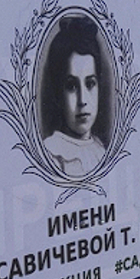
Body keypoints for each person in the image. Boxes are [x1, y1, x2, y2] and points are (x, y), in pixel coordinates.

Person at [41, 15, 109, 174]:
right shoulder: (52, 154)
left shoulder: (101, 150)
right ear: (58, 94)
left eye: (90, 84)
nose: (83, 100)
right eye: (71, 86)